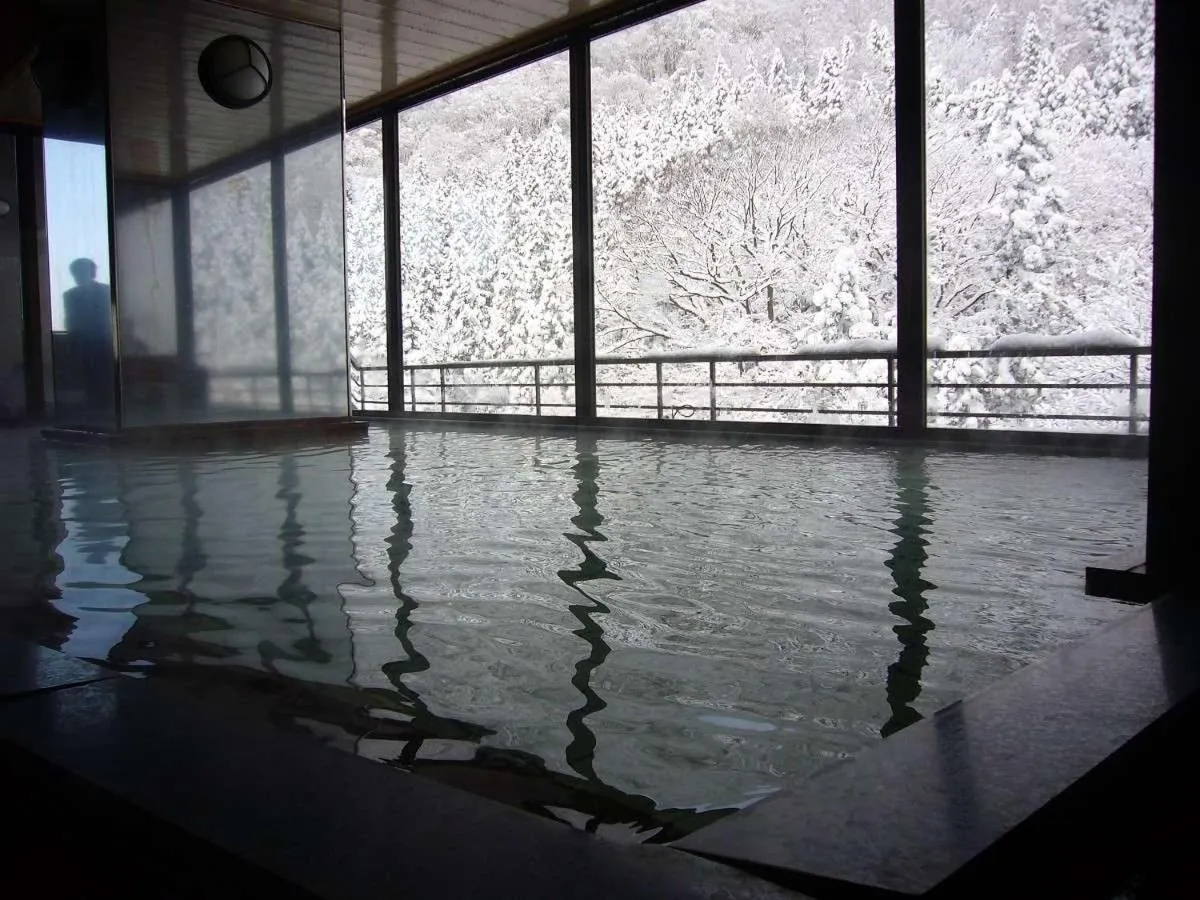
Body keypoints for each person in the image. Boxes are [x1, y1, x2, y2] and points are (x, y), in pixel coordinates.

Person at [62, 257, 114, 419]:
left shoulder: (107, 291)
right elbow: (70, 320)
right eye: (78, 272)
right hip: (84, 342)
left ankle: (104, 406)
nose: (80, 275)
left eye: (83, 271)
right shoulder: (70, 295)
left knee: (104, 374)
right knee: (89, 376)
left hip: (104, 340)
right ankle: (95, 408)